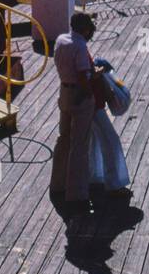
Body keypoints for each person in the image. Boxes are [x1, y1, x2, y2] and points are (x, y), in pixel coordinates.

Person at [52, 12, 99, 223]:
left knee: (63, 139)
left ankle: (58, 184)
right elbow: (82, 75)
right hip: (79, 97)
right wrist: (90, 91)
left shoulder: (61, 40)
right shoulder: (80, 47)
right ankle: (77, 196)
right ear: (86, 29)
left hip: (64, 92)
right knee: (79, 146)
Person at [88, 58, 132, 199]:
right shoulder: (79, 45)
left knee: (93, 142)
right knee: (110, 142)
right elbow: (84, 74)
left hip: (88, 102)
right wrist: (98, 72)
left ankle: (95, 176)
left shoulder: (75, 44)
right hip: (91, 103)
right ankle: (114, 185)